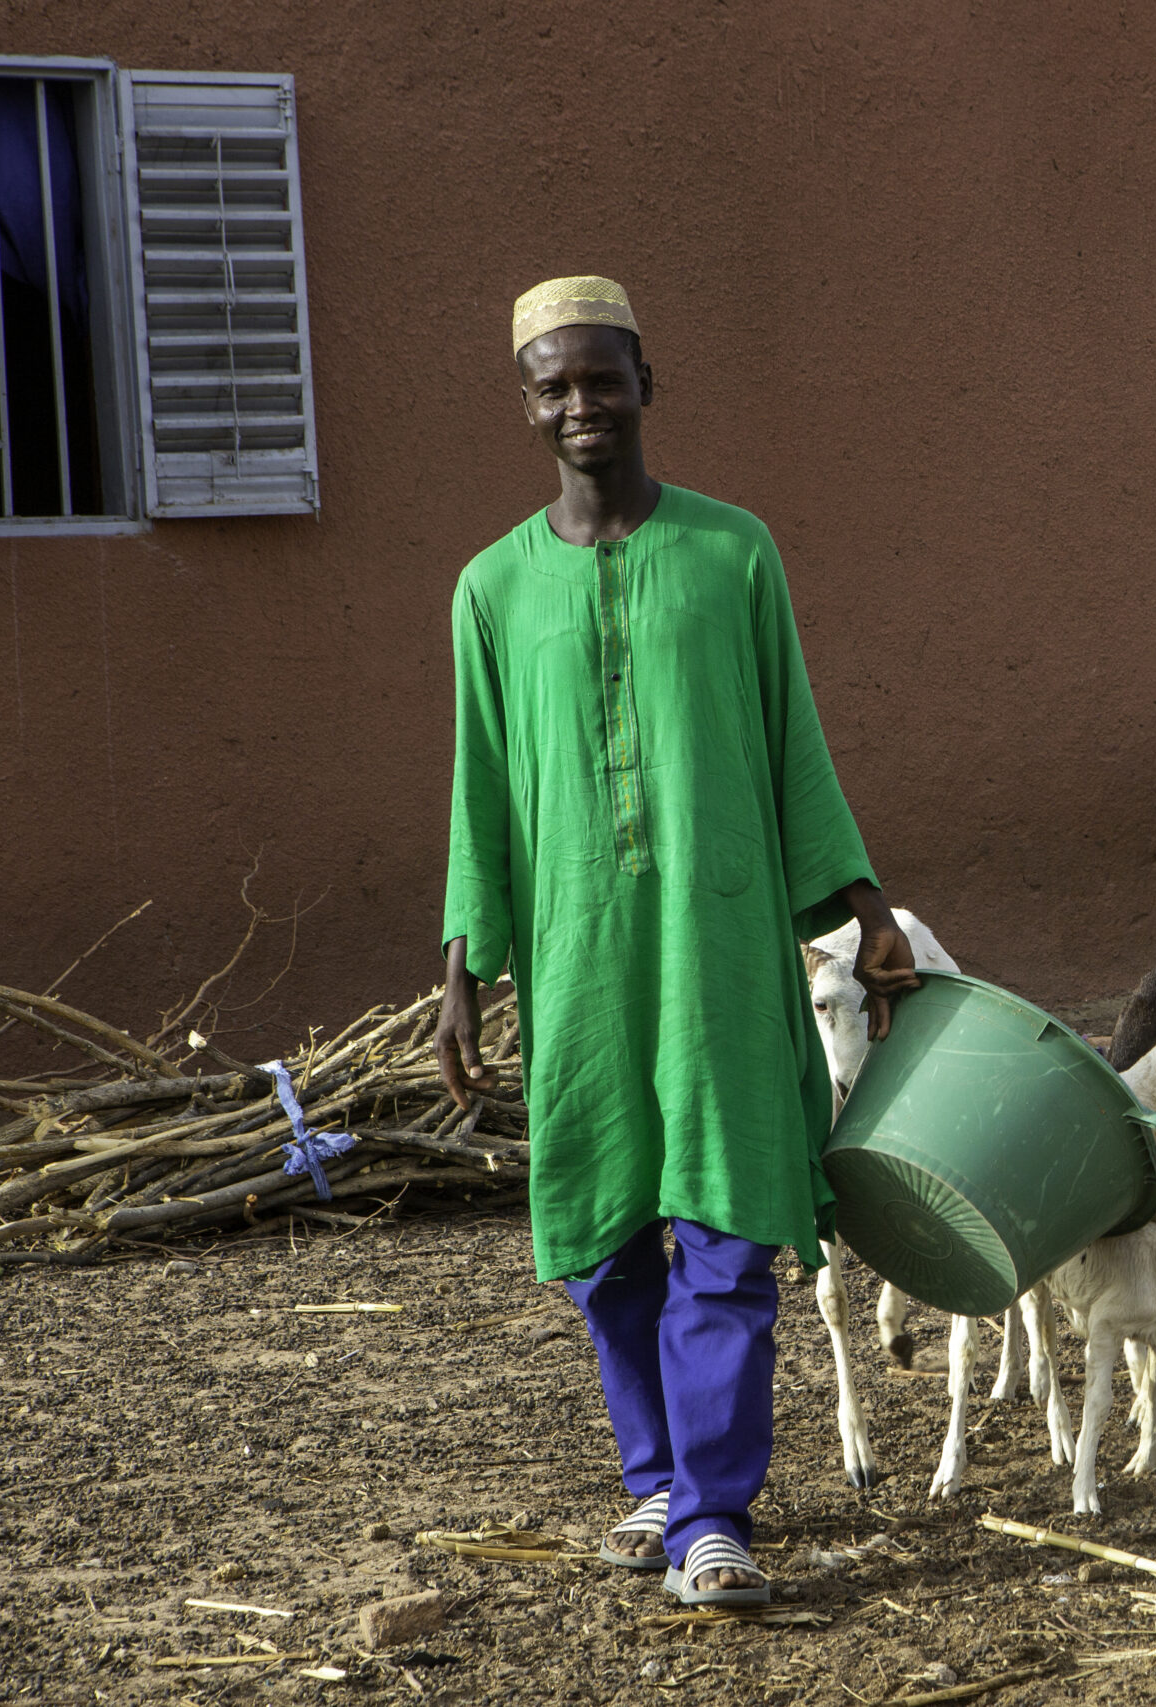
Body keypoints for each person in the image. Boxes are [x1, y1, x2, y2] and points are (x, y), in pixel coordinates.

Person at [435, 276, 918, 1606]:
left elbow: (794, 751)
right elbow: (481, 787)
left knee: (723, 1223)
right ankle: (654, 1479)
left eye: (601, 376)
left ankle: (712, 1516)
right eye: (553, 385)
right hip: (579, 961)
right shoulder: (491, 590)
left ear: (648, 379)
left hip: (714, 949)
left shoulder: (733, 553)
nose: (580, 403)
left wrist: (865, 907)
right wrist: (466, 967)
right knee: (601, 1238)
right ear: (527, 406)